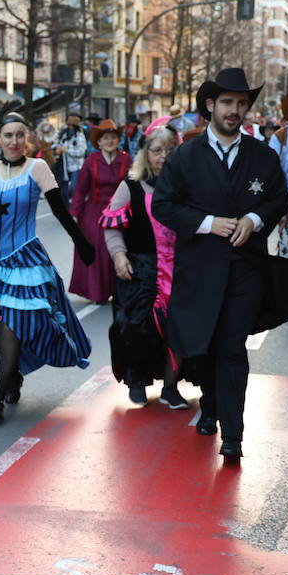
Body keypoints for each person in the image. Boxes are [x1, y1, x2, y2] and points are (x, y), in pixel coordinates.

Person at [152, 68, 288, 462]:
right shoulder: (185, 156)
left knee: (232, 346)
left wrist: (254, 220)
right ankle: (210, 405)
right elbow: (163, 206)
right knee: (205, 345)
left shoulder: (262, 156)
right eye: (228, 102)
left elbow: (277, 199)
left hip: (246, 270)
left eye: (242, 103)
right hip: (199, 270)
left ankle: (233, 434)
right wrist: (209, 224)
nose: (235, 110)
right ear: (210, 105)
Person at [0, 111, 94, 418]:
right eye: (8, 135)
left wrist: (84, 245)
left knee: (13, 328)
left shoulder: (37, 167)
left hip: (25, 260)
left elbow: (61, 212)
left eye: (19, 134)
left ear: (27, 137)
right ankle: (13, 378)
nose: (14, 141)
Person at [100, 119, 187, 408]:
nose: (163, 156)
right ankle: (137, 380)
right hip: (140, 272)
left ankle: (171, 387)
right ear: (146, 153)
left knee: (178, 330)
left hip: (180, 271)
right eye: (157, 150)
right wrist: (119, 255)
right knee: (135, 328)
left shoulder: (187, 189)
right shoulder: (131, 186)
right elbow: (111, 225)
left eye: (169, 150)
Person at [68, 118, 132, 303]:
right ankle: (98, 293)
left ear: (118, 139)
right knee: (96, 249)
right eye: (106, 138)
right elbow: (80, 189)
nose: (109, 141)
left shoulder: (126, 159)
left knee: (118, 249)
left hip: (119, 211)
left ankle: (118, 289)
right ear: (99, 142)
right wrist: (73, 214)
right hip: (93, 213)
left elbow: (133, 186)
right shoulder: (91, 161)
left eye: (113, 137)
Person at [54, 113, 88, 195]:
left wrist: (67, 150)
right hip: (65, 167)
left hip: (76, 167)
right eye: (68, 125)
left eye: (71, 125)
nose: (69, 127)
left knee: (74, 189)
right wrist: (57, 148)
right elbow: (57, 143)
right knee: (63, 190)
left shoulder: (80, 136)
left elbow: (81, 152)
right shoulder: (64, 135)